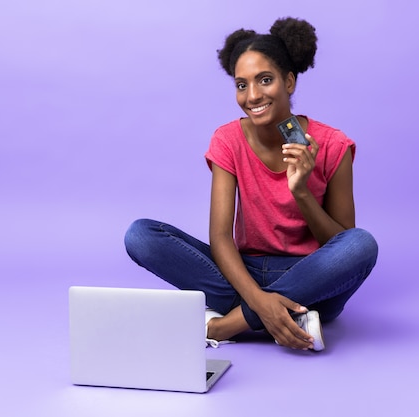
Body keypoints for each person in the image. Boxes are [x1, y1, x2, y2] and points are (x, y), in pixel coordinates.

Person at [124, 17, 378, 352]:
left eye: (265, 80)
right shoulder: (228, 139)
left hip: (312, 276)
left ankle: (229, 324)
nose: (252, 95)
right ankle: (281, 314)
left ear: (289, 81)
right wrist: (258, 298)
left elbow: (343, 243)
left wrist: (301, 191)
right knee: (141, 234)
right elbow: (219, 237)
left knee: (361, 244)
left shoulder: (333, 145)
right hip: (242, 272)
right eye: (241, 85)